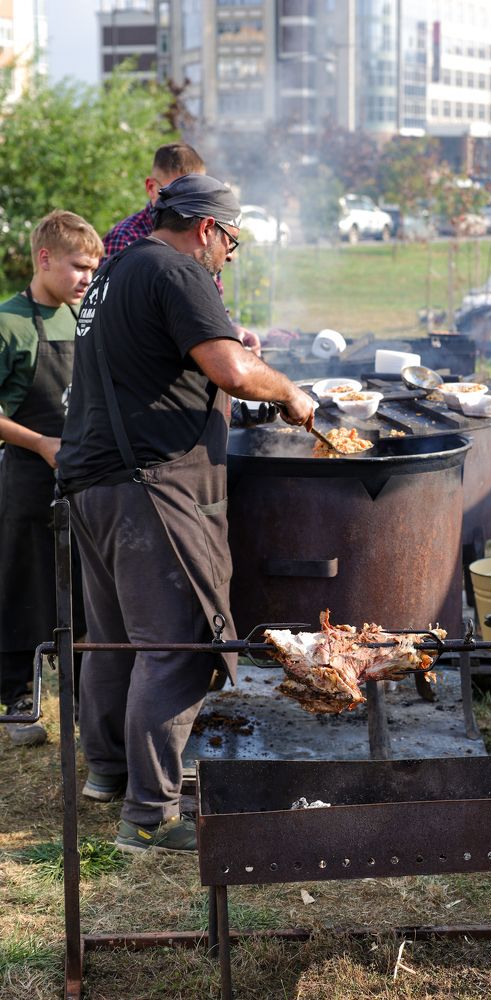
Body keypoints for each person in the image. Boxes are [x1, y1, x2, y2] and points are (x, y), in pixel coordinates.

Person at [56, 174, 315, 853]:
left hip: (93, 483)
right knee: (177, 646)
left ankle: (108, 774)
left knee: (115, 641)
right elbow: (229, 366)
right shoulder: (175, 270)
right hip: (151, 487)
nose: (231, 254)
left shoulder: (116, 272)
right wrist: (289, 389)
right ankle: (150, 816)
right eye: (232, 240)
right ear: (206, 229)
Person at [0, 211, 103, 746]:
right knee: (23, 583)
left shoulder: (80, 317)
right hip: (26, 477)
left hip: (81, 476)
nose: (88, 278)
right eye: (79, 267)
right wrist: (40, 443)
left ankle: (88, 698)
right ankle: (19, 697)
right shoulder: (9, 323)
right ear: (44, 259)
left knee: (86, 594)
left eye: (93, 268)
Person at [104, 141, 261, 355]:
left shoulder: (202, 240)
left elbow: (208, 305)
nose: (186, 203)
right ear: (152, 188)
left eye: (194, 193)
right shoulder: (126, 238)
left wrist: (229, 330)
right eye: (174, 191)